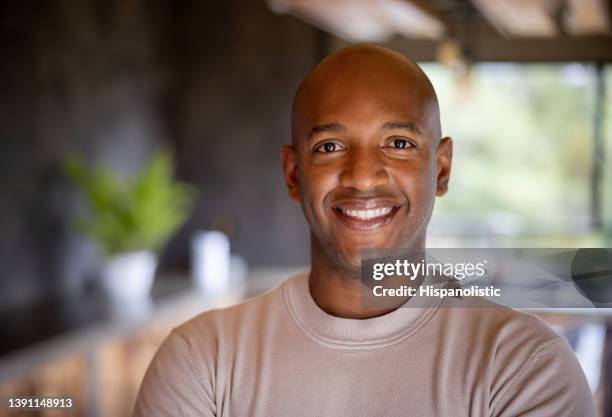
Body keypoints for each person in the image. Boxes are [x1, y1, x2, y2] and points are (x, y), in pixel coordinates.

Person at [133, 45, 594, 417]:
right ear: (294, 174)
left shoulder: (524, 368)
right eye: (330, 146)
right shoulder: (201, 362)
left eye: (398, 144)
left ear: (441, 168)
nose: (362, 176)